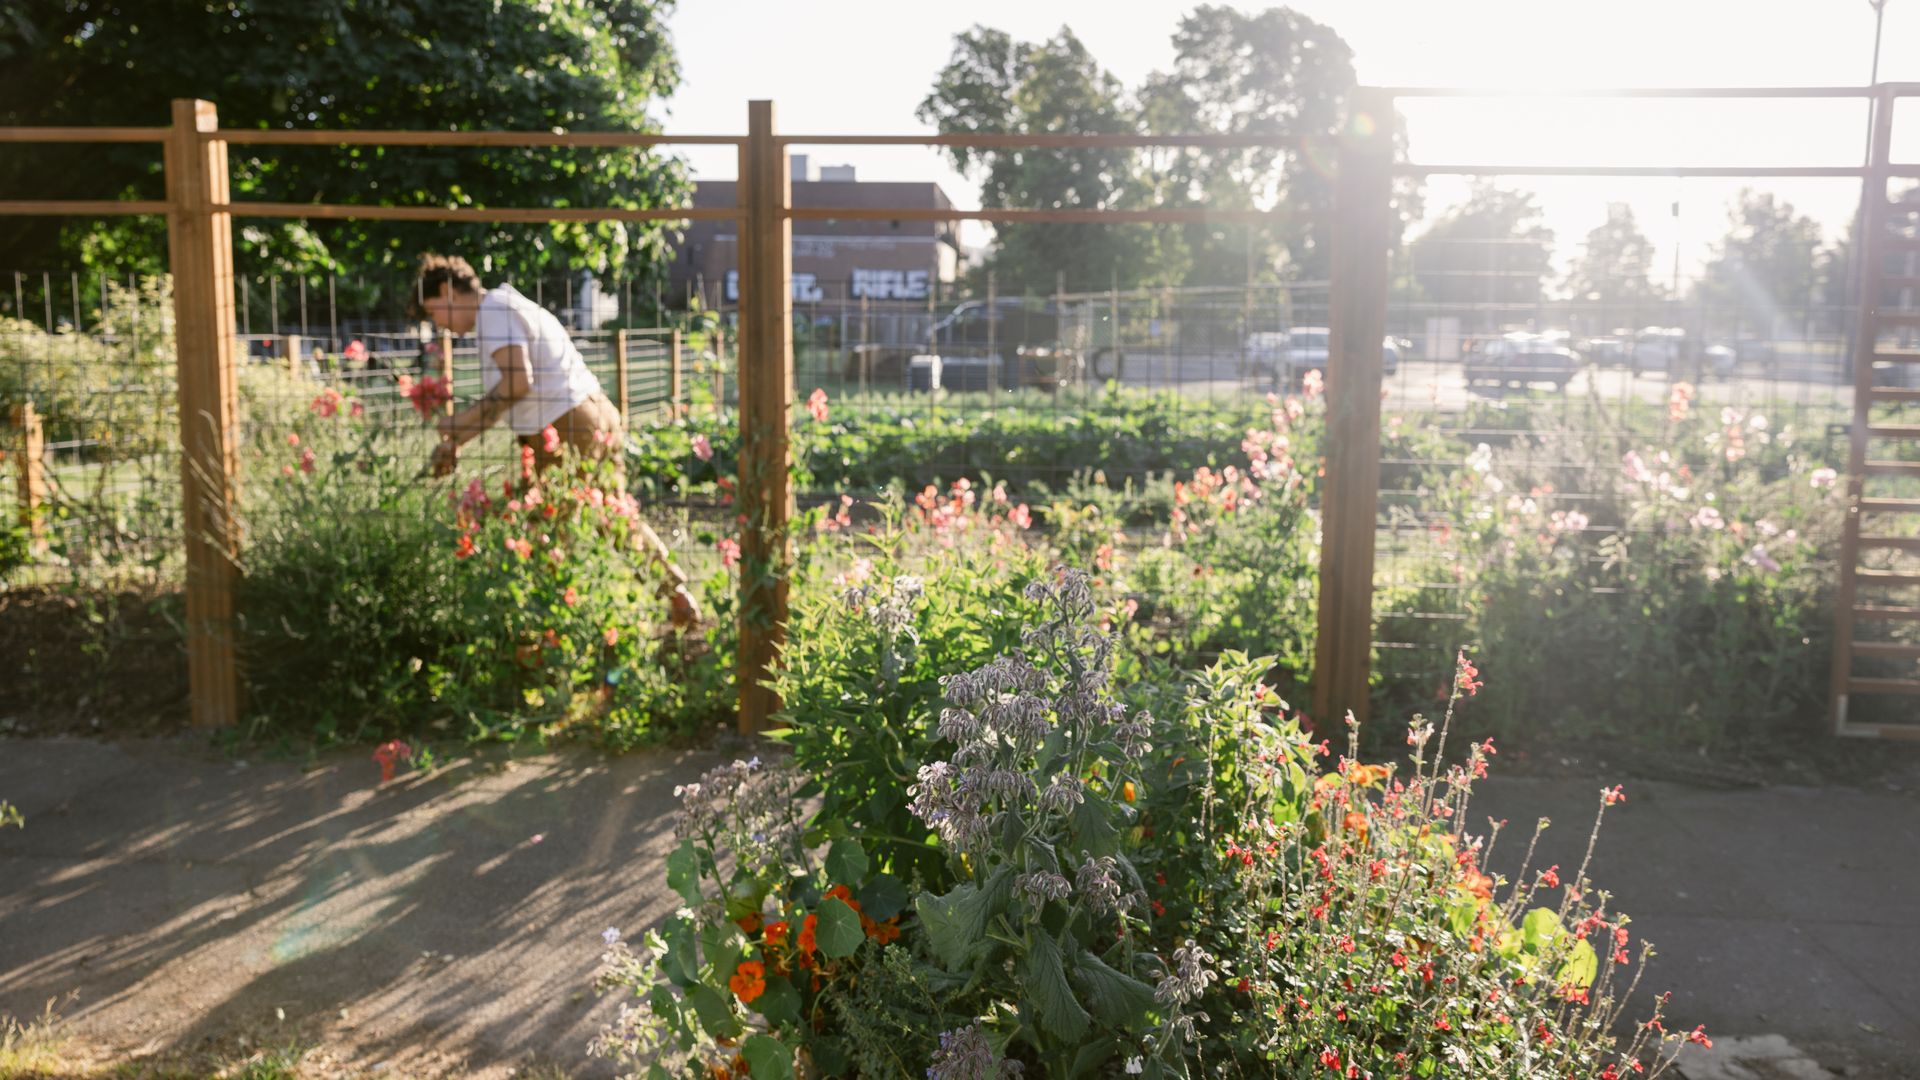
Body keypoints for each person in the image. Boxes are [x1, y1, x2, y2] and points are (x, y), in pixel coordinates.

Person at [411, 253, 697, 628]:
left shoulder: (493, 311)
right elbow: (509, 394)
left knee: (544, 531)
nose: (441, 325)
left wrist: (460, 423)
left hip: (567, 427)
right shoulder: (503, 306)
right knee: (609, 517)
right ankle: (676, 596)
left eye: (435, 312)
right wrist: (458, 439)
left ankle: (549, 629)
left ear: (448, 291)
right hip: (590, 414)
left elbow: (516, 383)